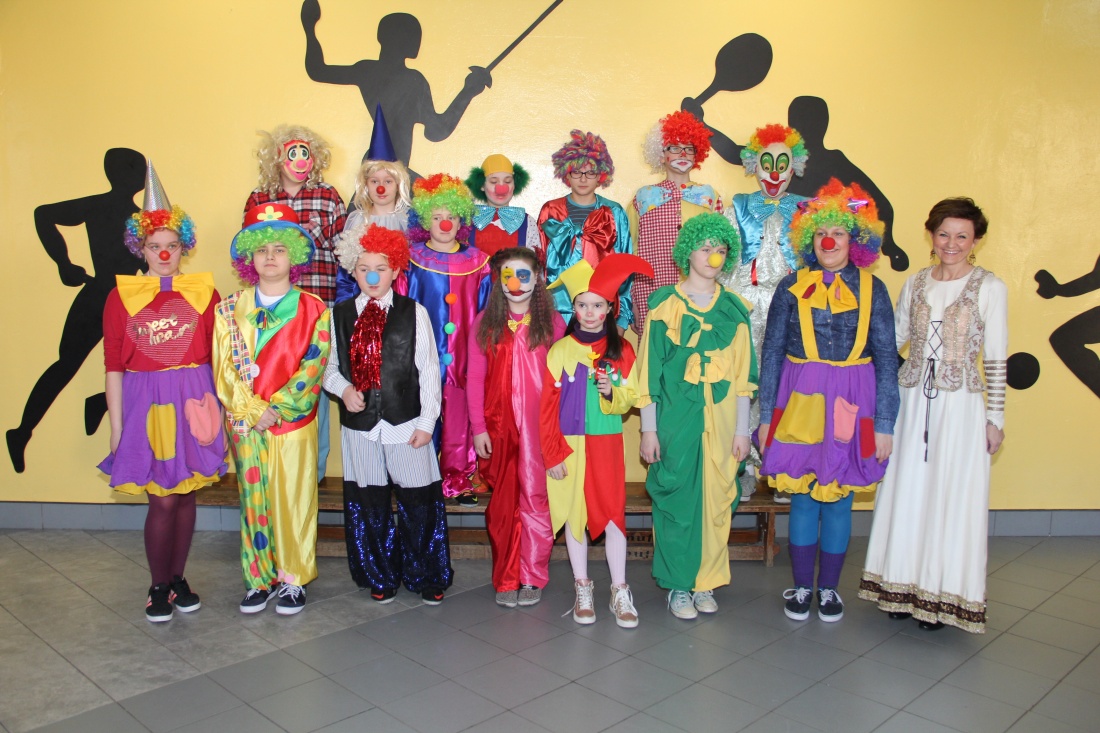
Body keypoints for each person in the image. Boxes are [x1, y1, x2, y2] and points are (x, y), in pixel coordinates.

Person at [860, 198, 1006, 634]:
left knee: (950, 495)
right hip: (911, 403)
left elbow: (996, 358)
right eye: (944, 234)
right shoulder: (916, 282)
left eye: (962, 235)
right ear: (932, 235)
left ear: (976, 240)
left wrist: (995, 418)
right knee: (907, 490)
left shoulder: (990, 287)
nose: (951, 243)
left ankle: (941, 597)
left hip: (960, 407)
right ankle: (899, 589)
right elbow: (892, 342)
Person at [757, 179, 899, 624]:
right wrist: (766, 416)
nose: (829, 241)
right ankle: (802, 586)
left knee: (839, 498)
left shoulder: (874, 289)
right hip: (800, 398)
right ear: (809, 239)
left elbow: (887, 358)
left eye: (838, 232)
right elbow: (771, 352)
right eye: (820, 233)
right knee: (802, 496)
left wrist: (885, 423)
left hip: (853, 400)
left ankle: (831, 589)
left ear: (856, 240)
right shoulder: (790, 286)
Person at [99, 162, 226, 623]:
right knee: (162, 498)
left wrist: (222, 412)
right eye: (155, 246)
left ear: (183, 246)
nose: (164, 253)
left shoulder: (205, 294)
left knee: (187, 495)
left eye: (172, 245)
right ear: (141, 247)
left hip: (194, 397)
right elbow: (113, 366)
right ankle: (157, 585)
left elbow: (218, 358)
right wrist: (117, 428)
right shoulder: (120, 297)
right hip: (146, 404)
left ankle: (178, 578)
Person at [634, 213, 756, 620]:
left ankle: (706, 582)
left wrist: (742, 431)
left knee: (718, 501)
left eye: (720, 250)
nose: (713, 257)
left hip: (722, 425)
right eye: (705, 248)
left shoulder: (735, 310)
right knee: (676, 502)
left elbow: (744, 377)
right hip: (675, 421)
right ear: (688, 251)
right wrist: (648, 430)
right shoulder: (664, 306)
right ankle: (678, 585)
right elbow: (648, 374)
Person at [214, 204, 331, 616]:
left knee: (295, 500)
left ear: (293, 256)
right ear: (250, 257)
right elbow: (224, 369)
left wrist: (277, 409)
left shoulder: (315, 308)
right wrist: (252, 410)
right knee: (253, 501)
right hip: (247, 425)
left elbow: (313, 366)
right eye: (262, 249)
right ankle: (258, 579)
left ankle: (293, 580)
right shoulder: (228, 308)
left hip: (292, 423)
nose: (270, 257)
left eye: (279, 249)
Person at [326, 223, 452, 604]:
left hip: (406, 424)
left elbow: (428, 369)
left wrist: (428, 422)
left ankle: (426, 573)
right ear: (353, 270)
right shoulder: (339, 315)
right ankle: (379, 573)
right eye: (364, 268)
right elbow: (329, 369)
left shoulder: (414, 312)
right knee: (369, 504)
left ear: (395, 269)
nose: (372, 276)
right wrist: (344, 390)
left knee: (419, 502)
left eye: (380, 268)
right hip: (361, 430)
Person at [541, 253, 653, 627]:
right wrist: (553, 454)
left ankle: (620, 589)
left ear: (610, 308)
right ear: (573, 308)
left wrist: (611, 392)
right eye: (583, 305)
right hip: (569, 446)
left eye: (598, 305)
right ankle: (582, 586)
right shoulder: (560, 350)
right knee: (575, 514)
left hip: (606, 443)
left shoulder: (622, 350)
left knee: (612, 513)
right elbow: (546, 409)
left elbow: (631, 398)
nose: (590, 313)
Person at [243, 124, 347, 480]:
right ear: (277, 157)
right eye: (293, 153)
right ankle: (267, 471)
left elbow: (343, 252)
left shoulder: (327, 196)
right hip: (270, 311)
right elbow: (250, 255)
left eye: (306, 153)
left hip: (318, 308)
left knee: (312, 386)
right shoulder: (259, 199)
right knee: (267, 383)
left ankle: (311, 475)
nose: (300, 160)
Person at [468, 248, 564, 607]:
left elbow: (563, 382)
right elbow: (474, 378)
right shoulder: (485, 323)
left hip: (540, 429)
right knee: (503, 504)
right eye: (508, 275)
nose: (516, 283)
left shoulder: (553, 324)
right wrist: (478, 427)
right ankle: (507, 577)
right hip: (499, 428)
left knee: (536, 500)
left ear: (537, 279)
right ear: (499, 281)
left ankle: (532, 576)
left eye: (524, 274)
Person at [720, 123, 810, 502]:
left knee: (786, 384)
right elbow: (722, 259)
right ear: (754, 166)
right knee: (743, 383)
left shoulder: (807, 210)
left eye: (782, 165)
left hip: (790, 307)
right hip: (744, 304)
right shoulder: (737, 207)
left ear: (794, 168)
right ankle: (741, 466)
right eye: (767, 164)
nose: (774, 174)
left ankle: (778, 467)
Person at [405, 174, 491, 505]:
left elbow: (485, 312)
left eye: (451, 217)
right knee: (421, 415)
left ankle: (458, 479)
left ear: (461, 221)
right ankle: (421, 478)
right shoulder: (411, 258)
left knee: (458, 420)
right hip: (421, 356)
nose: (444, 223)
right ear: (425, 221)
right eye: (437, 217)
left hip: (464, 358)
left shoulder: (479, 261)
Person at [630, 110, 722, 336]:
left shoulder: (710, 197)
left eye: (689, 148)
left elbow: (722, 251)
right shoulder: (643, 198)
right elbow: (628, 251)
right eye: (674, 147)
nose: (682, 153)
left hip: (700, 293)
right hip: (651, 292)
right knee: (655, 350)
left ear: (697, 155)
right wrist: (631, 300)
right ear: (661, 154)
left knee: (696, 348)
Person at [537, 130, 634, 333]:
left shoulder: (614, 212)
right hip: (557, 313)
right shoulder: (550, 211)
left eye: (590, 173)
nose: (583, 179)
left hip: (602, 312)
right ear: (567, 173)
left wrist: (622, 319)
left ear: (600, 175)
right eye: (577, 172)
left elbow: (625, 266)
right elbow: (539, 264)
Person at [335, 106, 413, 304]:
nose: (381, 188)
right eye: (374, 181)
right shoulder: (357, 220)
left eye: (388, 181)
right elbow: (346, 272)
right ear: (366, 185)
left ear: (398, 184)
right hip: (363, 300)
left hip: (400, 299)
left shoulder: (407, 221)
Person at [465, 154, 541, 257]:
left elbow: (535, 262)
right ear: (482, 185)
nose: (501, 188)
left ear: (514, 185)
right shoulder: (467, 220)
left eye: (507, 181)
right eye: (493, 182)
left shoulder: (527, 222)